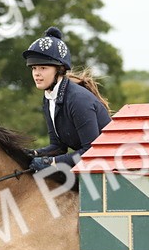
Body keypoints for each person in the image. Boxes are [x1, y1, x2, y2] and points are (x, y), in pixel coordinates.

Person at [22, 26, 112, 171]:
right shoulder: (49, 98)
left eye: (43, 68)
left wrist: (50, 162)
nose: (36, 74)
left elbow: (91, 151)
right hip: (91, 164)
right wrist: (34, 153)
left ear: (60, 70)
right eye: (34, 68)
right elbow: (58, 147)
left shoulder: (78, 100)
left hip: (111, 166)